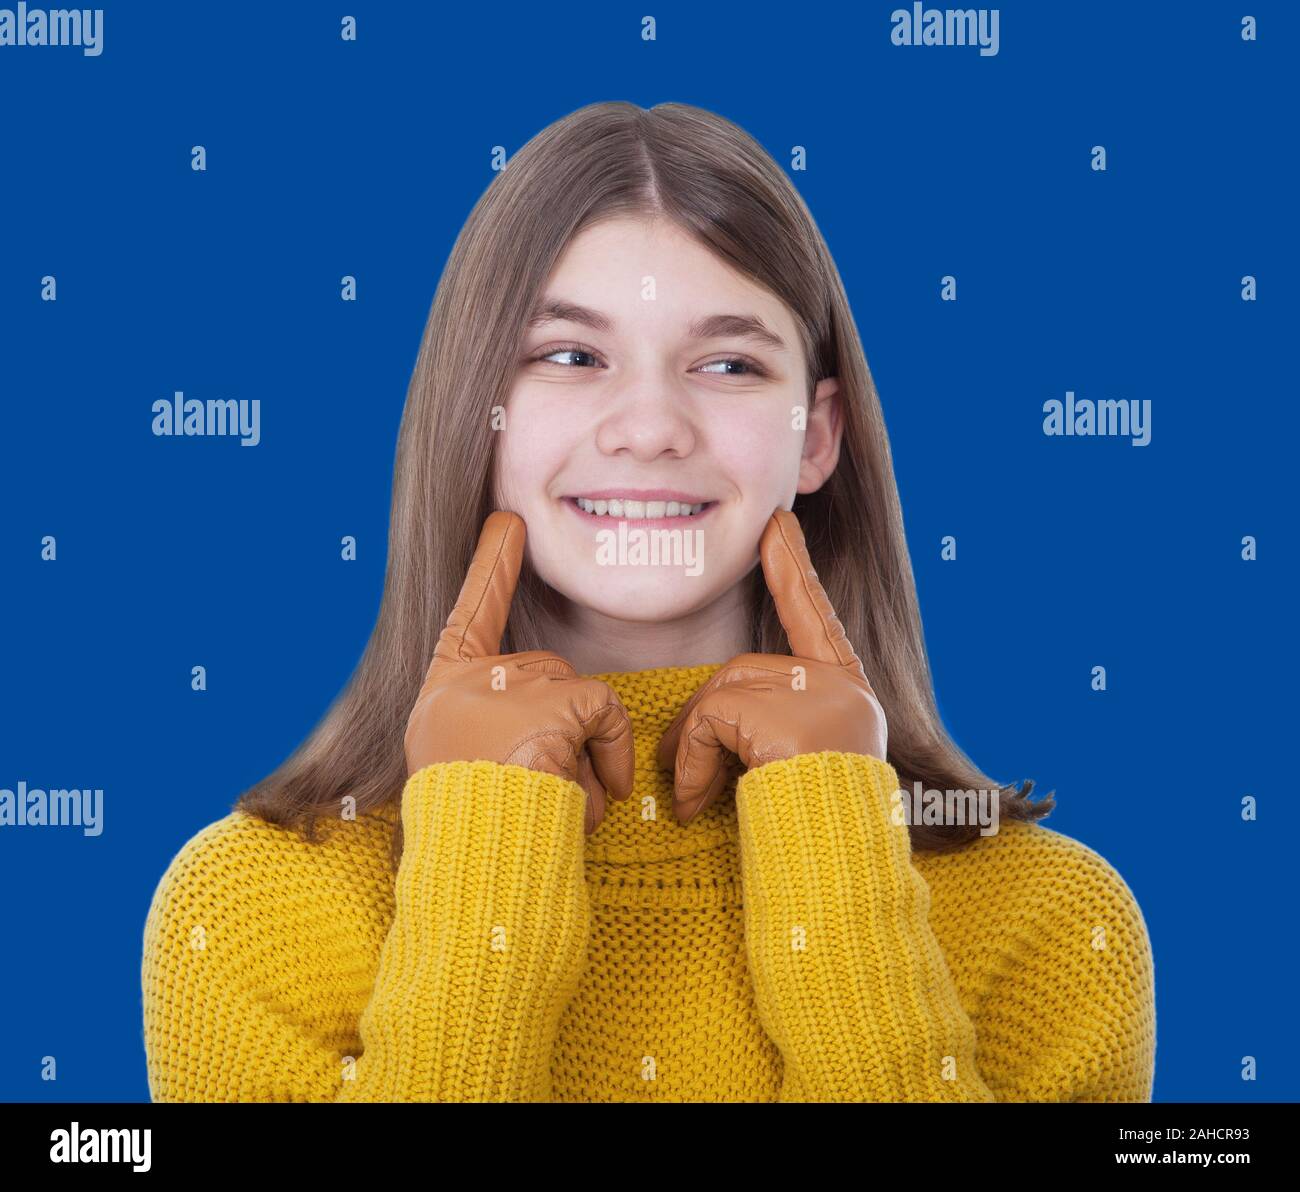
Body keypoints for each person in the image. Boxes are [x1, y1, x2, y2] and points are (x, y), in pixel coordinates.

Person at [141, 101, 1156, 1102]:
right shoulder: (246, 906)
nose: (649, 427)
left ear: (816, 433)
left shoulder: (1053, 921)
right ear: (476, 412)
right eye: (571, 356)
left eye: (727, 363)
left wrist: (833, 854)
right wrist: (486, 844)